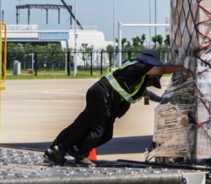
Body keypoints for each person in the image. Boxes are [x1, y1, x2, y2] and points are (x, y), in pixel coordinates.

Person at [45, 49, 184, 166]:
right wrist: (185, 66)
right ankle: (79, 154)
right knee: (97, 130)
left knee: (90, 128)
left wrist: (162, 100)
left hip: (101, 95)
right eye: (155, 78)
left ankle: (57, 149)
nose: (153, 81)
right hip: (103, 95)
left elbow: (146, 94)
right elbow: (164, 69)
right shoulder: (139, 68)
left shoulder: (138, 81)